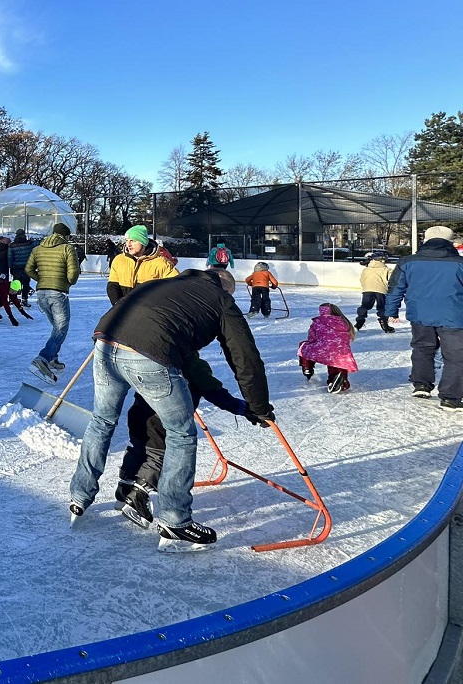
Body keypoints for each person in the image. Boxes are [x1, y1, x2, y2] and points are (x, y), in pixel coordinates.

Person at [69, 269, 275, 551]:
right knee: (181, 433)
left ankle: (79, 496)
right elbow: (245, 357)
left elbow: (184, 355)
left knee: (102, 421)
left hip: (105, 341)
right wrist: (259, 407)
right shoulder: (221, 299)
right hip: (147, 352)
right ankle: (175, 519)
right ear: (226, 289)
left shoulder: (167, 283)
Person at [384, 225, 463, 408]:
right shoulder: (460, 264)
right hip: (454, 316)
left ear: (425, 241)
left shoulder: (407, 262)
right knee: (456, 355)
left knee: (422, 348)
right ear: (449, 242)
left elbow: (395, 288)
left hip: (420, 315)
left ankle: (421, 384)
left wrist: (391, 311)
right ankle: (450, 397)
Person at [25, 223, 81, 384]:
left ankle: (53, 358)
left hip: (41, 294)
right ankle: (43, 358)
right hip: (58, 293)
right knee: (61, 329)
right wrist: (67, 282)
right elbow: (73, 273)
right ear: (66, 236)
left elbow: (28, 269)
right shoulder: (67, 248)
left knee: (57, 328)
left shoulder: (38, 248)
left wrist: (41, 280)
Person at [298, 303, 358, 393]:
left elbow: (311, 338)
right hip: (342, 351)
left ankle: (307, 367)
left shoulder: (318, 321)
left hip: (323, 350)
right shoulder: (344, 322)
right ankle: (339, 380)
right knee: (338, 364)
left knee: (304, 346)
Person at [0, 234, 32, 326]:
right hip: (0, 277)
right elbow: (6, 303)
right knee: (0, 299)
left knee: (0, 298)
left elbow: (14, 299)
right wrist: (11, 318)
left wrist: (23, 313)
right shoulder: (7, 251)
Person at [357, 254, 394, 332]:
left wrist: (366, 287)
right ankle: (384, 323)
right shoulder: (386, 269)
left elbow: (362, 279)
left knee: (364, 306)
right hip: (381, 290)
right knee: (382, 307)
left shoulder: (366, 269)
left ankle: (359, 321)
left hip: (367, 290)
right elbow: (392, 281)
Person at [8, 229, 35, 295]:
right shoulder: (29, 244)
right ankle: (24, 298)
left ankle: (14, 298)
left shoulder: (12, 245)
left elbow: (10, 258)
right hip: (27, 266)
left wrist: (10, 267)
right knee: (26, 282)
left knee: (16, 283)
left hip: (16, 267)